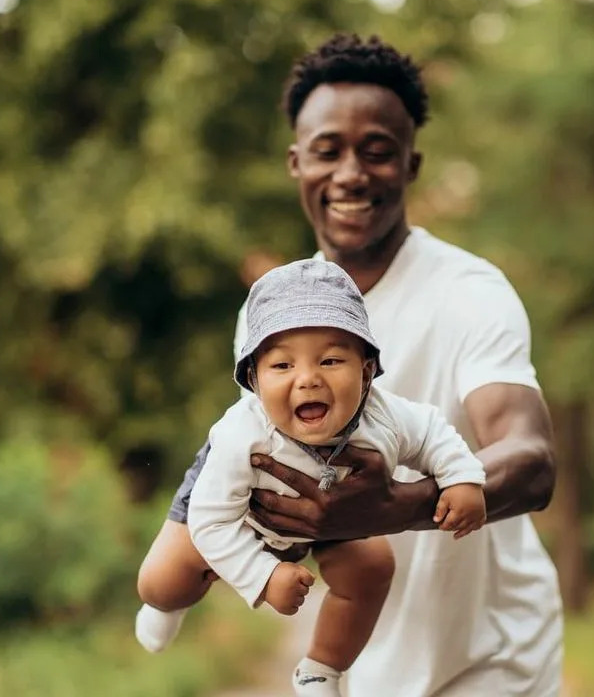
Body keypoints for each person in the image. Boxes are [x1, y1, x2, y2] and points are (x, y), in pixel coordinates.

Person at [138, 33, 563, 696]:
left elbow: (533, 460)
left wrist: (399, 505)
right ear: (295, 163)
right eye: (327, 151)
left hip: (487, 656)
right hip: (362, 665)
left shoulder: (470, 293)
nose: (350, 174)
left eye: (377, 152)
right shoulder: (271, 312)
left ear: (411, 165)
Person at [135, 258, 488, 697]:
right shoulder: (241, 436)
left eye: (331, 359)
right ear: (253, 378)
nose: (308, 379)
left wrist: (461, 478)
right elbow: (211, 522)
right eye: (282, 366)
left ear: (366, 369)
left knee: (374, 568)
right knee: (161, 583)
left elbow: (434, 433)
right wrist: (264, 575)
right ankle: (168, 606)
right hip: (237, 511)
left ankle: (321, 669)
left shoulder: (386, 415)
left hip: (339, 511)